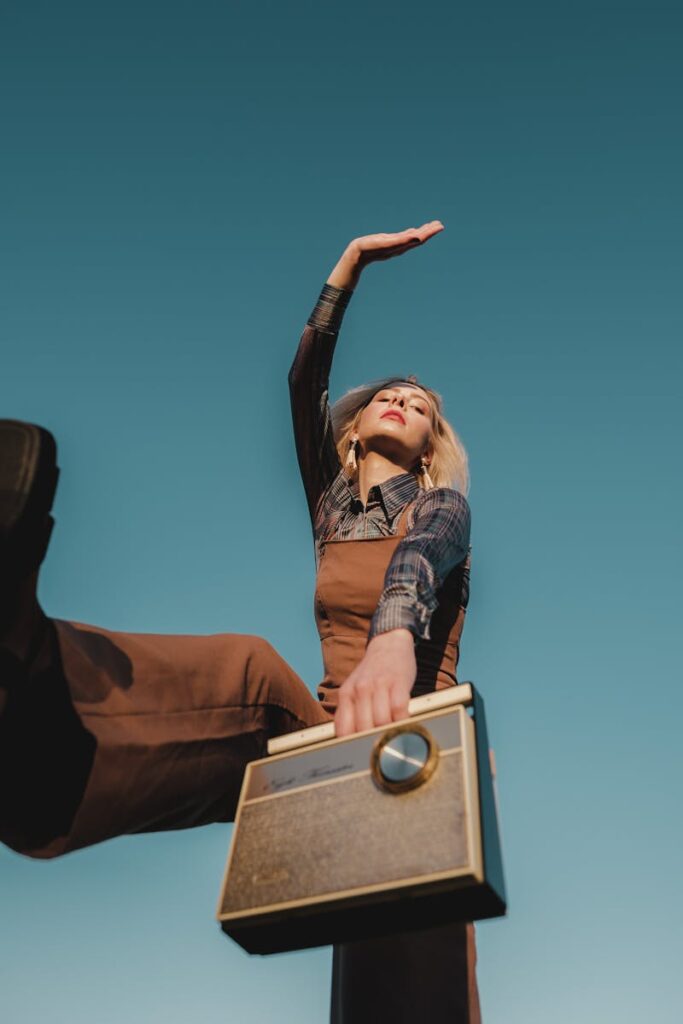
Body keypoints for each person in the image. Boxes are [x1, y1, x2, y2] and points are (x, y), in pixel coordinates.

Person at [0, 221, 480, 1021]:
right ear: (353, 431)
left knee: (400, 968)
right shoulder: (332, 509)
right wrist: (348, 268)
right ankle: (30, 698)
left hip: (417, 738)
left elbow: (422, 558)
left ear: (430, 446)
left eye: (420, 405)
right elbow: (304, 384)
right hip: (322, 727)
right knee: (252, 676)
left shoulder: (440, 505)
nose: (400, 399)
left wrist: (394, 638)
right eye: (386, 396)